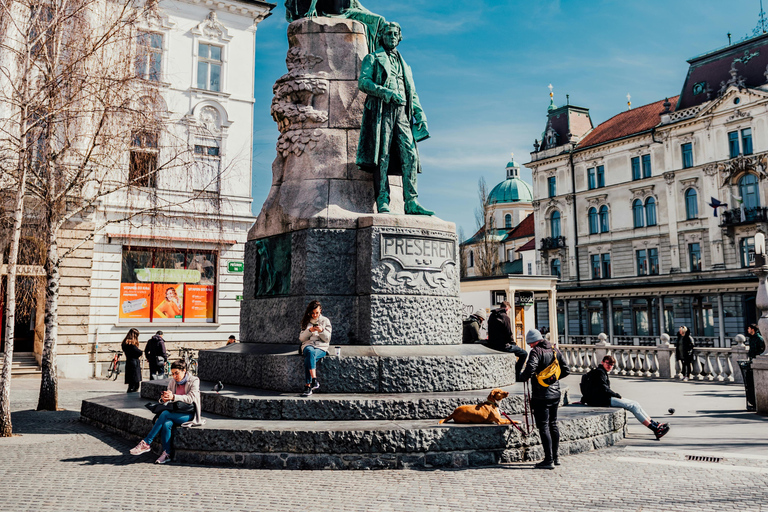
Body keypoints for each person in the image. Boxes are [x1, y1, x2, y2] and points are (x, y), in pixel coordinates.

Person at [356, 22, 434, 216]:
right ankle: (383, 199)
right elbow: (363, 82)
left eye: (395, 34)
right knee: (382, 155)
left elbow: (412, 93)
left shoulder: (405, 65)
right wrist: (385, 93)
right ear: (382, 36)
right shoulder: (373, 58)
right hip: (382, 111)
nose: (391, 36)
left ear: (400, 38)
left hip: (402, 114)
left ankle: (411, 202)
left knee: (410, 155)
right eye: (388, 33)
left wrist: (420, 115)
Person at [129, 359, 204, 464]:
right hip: (175, 412)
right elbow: (169, 400)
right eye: (172, 373)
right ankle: (167, 454)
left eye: (177, 373)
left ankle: (146, 442)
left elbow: (190, 398)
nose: (174, 376)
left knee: (165, 414)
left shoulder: (194, 380)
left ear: (184, 370)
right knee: (166, 424)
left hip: (188, 414)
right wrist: (165, 398)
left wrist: (173, 397)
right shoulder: (173, 382)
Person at [581, 355, 670, 440]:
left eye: (611, 365)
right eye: (608, 363)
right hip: (602, 400)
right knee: (633, 406)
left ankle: (655, 424)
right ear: (602, 362)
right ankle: (655, 429)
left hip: (602, 398)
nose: (610, 366)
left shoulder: (600, 371)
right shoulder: (599, 372)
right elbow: (603, 389)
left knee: (635, 403)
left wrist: (583, 400)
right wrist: (616, 395)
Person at [517, 329, 571, 469]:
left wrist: (522, 377)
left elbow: (530, 369)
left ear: (535, 341)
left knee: (544, 426)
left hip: (541, 395)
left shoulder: (536, 352)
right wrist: (552, 379)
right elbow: (566, 369)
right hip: (555, 394)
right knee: (553, 424)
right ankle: (556, 457)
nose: (529, 346)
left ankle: (548, 460)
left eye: (530, 343)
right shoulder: (554, 349)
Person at [486, 301, 528, 377]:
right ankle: (517, 374)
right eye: (509, 311)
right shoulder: (505, 317)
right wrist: (513, 343)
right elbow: (508, 333)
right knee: (524, 354)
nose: (508, 313)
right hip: (503, 346)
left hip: (492, 344)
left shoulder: (492, 315)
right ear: (507, 308)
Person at [299, 300, 332, 397]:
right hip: (308, 345)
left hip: (321, 347)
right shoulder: (306, 321)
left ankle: (308, 386)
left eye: (317, 313)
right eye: (312, 313)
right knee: (310, 351)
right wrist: (309, 331)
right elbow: (301, 338)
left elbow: (327, 339)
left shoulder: (325, 321)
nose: (314, 315)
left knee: (308, 359)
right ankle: (314, 379)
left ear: (320, 311)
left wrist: (321, 331)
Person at [744, 323, 766, 411]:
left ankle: (754, 402)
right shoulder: (751, 339)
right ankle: (752, 401)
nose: (747, 330)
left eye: (748, 328)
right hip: (751, 362)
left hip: (756, 361)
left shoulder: (759, 339)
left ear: (752, 329)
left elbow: (761, 351)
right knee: (749, 383)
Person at [121, 328, 143, 393]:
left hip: (129, 361)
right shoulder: (132, 345)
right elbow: (139, 352)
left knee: (131, 382)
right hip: (134, 362)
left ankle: (130, 393)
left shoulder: (125, 343)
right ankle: (133, 395)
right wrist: (141, 352)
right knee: (136, 382)